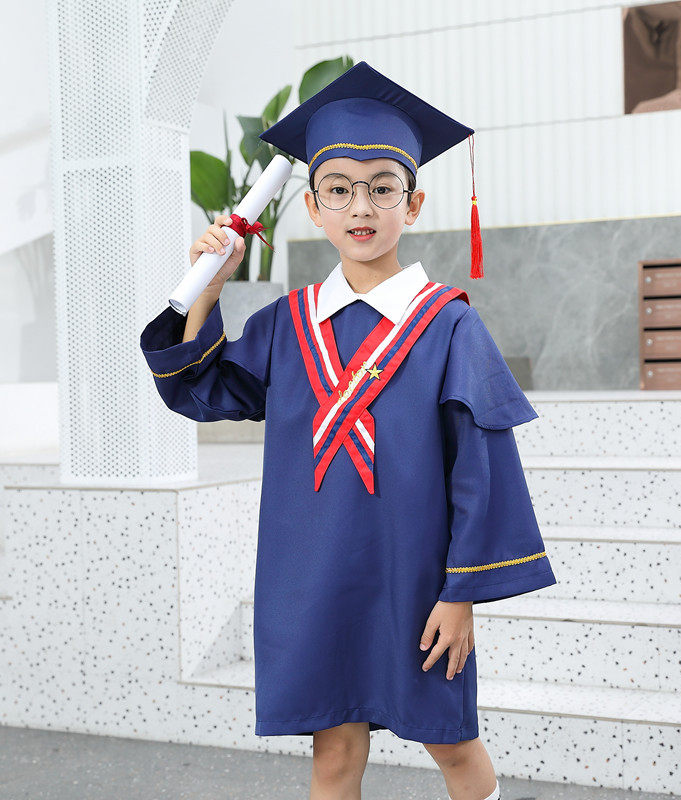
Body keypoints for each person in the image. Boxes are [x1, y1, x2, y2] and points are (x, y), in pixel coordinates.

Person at [139, 60, 556, 800]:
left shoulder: (449, 326)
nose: (360, 207)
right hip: (315, 579)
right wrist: (211, 282)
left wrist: (461, 593)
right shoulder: (286, 324)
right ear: (313, 208)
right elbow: (202, 389)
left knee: (451, 743)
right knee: (332, 757)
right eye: (337, 189)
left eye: (382, 188)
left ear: (414, 203)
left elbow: (480, 470)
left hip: (413, 582)